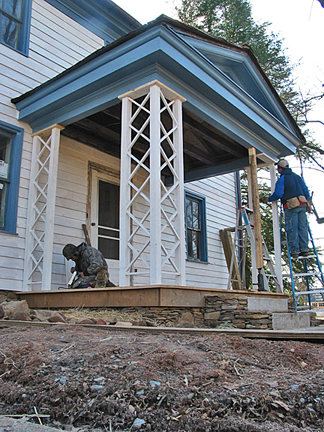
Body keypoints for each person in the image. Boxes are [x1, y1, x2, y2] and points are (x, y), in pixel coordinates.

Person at [268, 158, 311, 259]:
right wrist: (308, 200)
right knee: (302, 227)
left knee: (292, 228)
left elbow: (278, 193)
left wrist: (269, 198)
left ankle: (295, 251)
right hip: (302, 205)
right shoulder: (297, 177)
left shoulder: (283, 179)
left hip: (291, 206)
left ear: (280, 169)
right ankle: (304, 249)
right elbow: (305, 189)